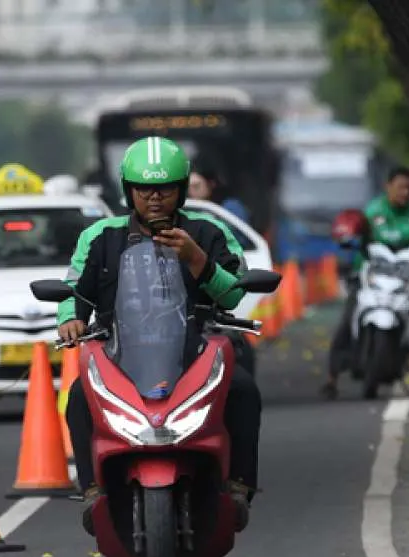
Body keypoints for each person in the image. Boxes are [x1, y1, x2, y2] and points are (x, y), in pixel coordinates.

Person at [58, 136, 261, 535]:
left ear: (181, 190)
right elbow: (73, 290)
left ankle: (238, 485)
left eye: (165, 188)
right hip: (121, 348)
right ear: (127, 190)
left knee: (242, 389)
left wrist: (197, 260)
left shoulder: (209, 231)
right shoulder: (100, 236)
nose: (154, 198)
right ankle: (93, 490)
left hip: (197, 346)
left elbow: (234, 293)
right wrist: (71, 320)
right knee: (79, 397)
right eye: (143, 189)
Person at [320, 166, 409, 400]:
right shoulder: (376, 211)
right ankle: (332, 377)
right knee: (348, 317)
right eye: (400, 187)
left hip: (404, 278)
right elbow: (388, 235)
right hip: (372, 275)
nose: (405, 193)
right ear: (388, 187)